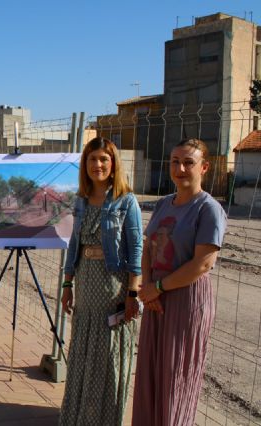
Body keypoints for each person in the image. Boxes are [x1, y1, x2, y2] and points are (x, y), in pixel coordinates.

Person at [132, 139, 227, 425]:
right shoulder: (163, 204)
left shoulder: (208, 209)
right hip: (155, 299)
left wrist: (157, 288)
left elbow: (203, 263)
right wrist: (148, 288)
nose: (181, 168)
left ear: (204, 167)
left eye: (188, 162)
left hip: (185, 301)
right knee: (150, 376)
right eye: (175, 161)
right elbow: (149, 247)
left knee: (176, 378)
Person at [59, 137, 143, 425]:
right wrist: (67, 285)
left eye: (103, 159)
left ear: (113, 163)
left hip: (113, 287)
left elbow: (136, 248)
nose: (98, 165)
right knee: (83, 353)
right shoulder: (81, 201)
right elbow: (74, 246)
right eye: (92, 159)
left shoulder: (126, 201)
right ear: (85, 164)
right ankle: (78, 417)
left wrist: (132, 292)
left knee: (108, 358)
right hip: (85, 285)